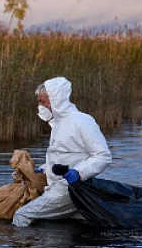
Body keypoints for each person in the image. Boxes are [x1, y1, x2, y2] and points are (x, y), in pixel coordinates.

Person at [12, 77, 112, 227]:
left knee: (22, 215)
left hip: (71, 188)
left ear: (56, 99)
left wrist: (78, 173)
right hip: (58, 187)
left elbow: (103, 156)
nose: (40, 106)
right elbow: (63, 156)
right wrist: (43, 169)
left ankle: (20, 242)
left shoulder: (82, 121)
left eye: (42, 102)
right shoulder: (57, 124)